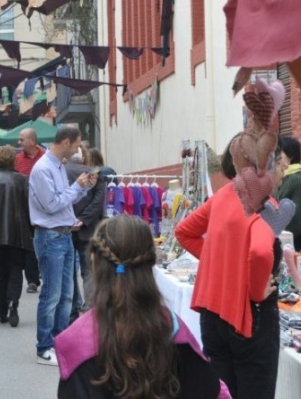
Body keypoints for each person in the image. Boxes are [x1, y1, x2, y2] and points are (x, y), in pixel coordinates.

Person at [56, 215, 226, 399]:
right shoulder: (174, 331)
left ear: (94, 261)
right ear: (151, 263)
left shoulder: (77, 343)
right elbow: (211, 392)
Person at [175, 136, 280, 399]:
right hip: (248, 316)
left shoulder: (222, 197)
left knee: (222, 393)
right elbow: (258, 252)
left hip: (213, 316)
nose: (282, 169)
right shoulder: (263, 204)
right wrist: (254, 290)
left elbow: (183, 232)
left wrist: (220, 263)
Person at [29, 126, 96, 366]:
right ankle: (44, 347)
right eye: (77, 145)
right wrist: (78, 187)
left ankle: (58, 343)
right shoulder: (44, 168)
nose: (79, 150)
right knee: (52, 294)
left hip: (63, 234)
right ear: (66, 142)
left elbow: (63, 201)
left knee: (66, 295)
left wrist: (83, 187)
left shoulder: (57, 166)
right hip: (51, 235)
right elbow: (52, 204)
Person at [0, 145, 32, 327]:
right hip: (19, 232)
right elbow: (28, 209)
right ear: (13, 160)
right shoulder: (23, 180)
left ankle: (2, 310)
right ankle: (13, 306)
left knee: (2, 272)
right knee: (16, 270)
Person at [65, 148, 108, 320]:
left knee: (69, 271)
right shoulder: (94, 173)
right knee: (88, 269)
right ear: (82, 158)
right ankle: (89, 307)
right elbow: (99, 200)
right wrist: (83, 219)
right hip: (88, 227)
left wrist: (72, 218)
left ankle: (73, 307)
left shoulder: (60, 172)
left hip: (65, 226)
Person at [16, 127, 45, 294]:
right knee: (29, 244)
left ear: (32, 141)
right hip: (25, 208)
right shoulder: (17, 159)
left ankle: (45, 274)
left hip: (45, 206)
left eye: (22, 140)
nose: (19, 143)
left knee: (45, 241)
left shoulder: (47, 157)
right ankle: (32, 279)